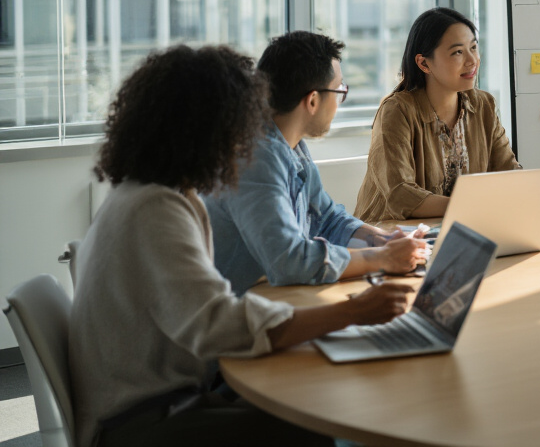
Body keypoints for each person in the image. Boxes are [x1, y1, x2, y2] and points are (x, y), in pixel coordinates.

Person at [70, 45, 413, 447]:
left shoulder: (151, 192)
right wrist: (353, 312)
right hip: (141, 421)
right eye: (240, 120)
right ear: (206, 127)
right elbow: (221, 326)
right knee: (316, 425)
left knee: (312, 388)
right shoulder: (156, 209)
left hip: (160, 395)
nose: (248, 134)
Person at [204, 31, 428, 295]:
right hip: (234, 314)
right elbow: (289, 261)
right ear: (312, 100)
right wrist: (382, 258)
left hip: (269, 298)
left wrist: (382, 239)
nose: (339, 101)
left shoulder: (292, 144)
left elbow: (327, 218)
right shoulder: (254, 158)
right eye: (339, 90)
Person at [355, 7, 518, 221]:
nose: (472, 60)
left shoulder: (483, 105)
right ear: (424, 63)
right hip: (390, 238)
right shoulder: (397, 111)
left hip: (459, 229)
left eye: (474, 47)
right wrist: (472, 206)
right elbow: (401, 195)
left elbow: (508, 173)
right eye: (458, 52)